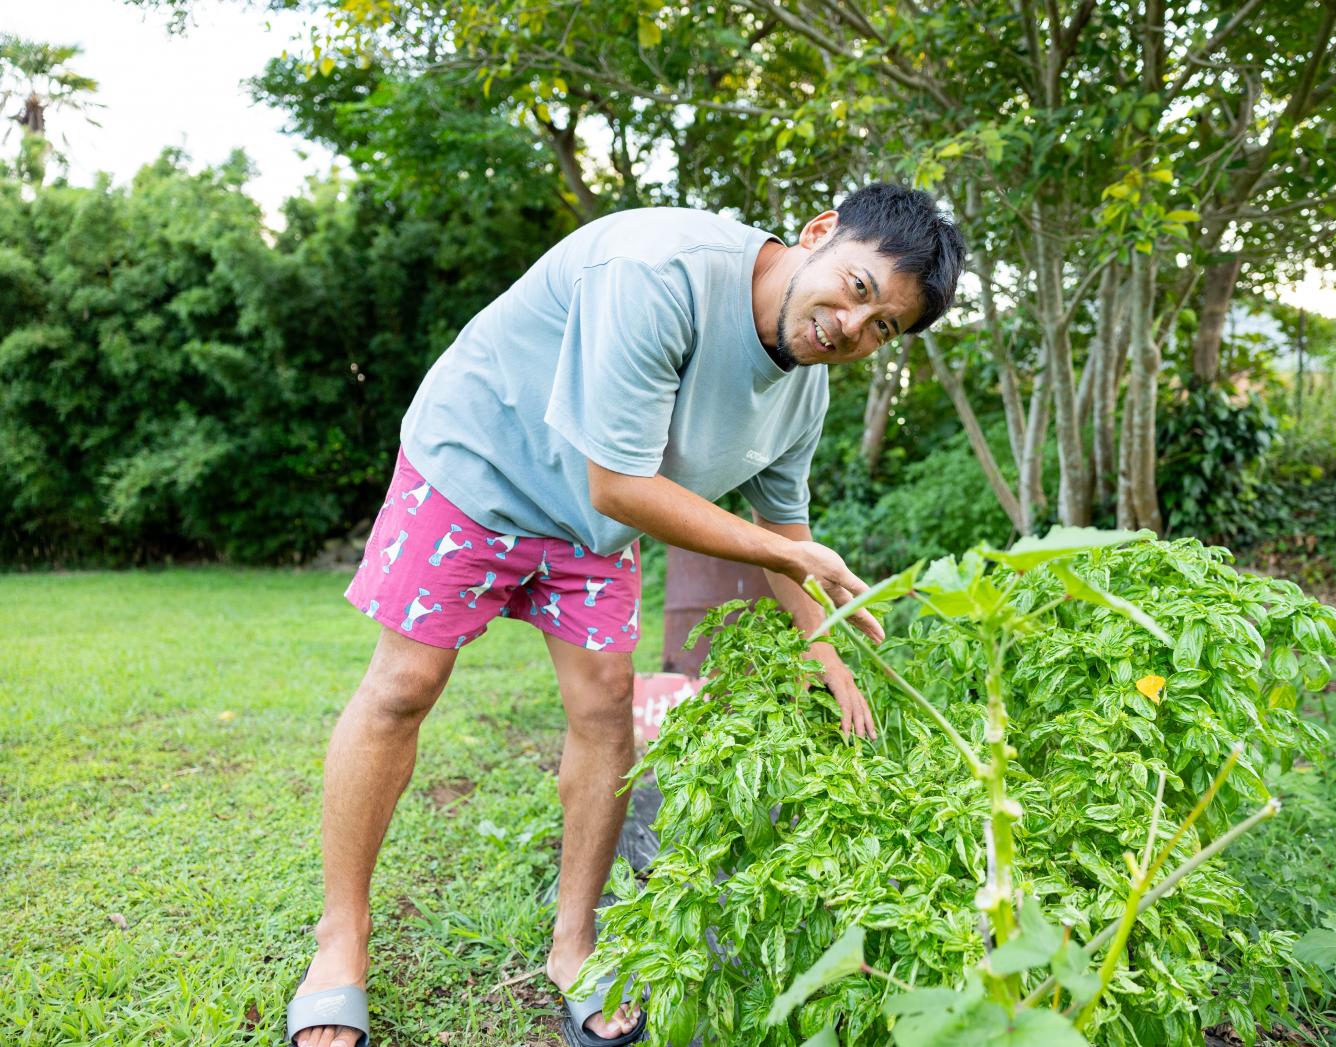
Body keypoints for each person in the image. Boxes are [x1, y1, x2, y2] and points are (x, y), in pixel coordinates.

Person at [285, 183, 964, 1047]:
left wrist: (827, 654)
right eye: (861, 290)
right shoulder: (659, 271)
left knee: (607, 708)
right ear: (821, 233)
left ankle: (574, 943)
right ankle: (340, 940)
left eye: (883, 329)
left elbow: (782, 530)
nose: (852, 328)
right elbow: (628, 483)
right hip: (479, 464)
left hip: (593, 524)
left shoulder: (803, 395)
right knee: (406, 685)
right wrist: (790, 558)